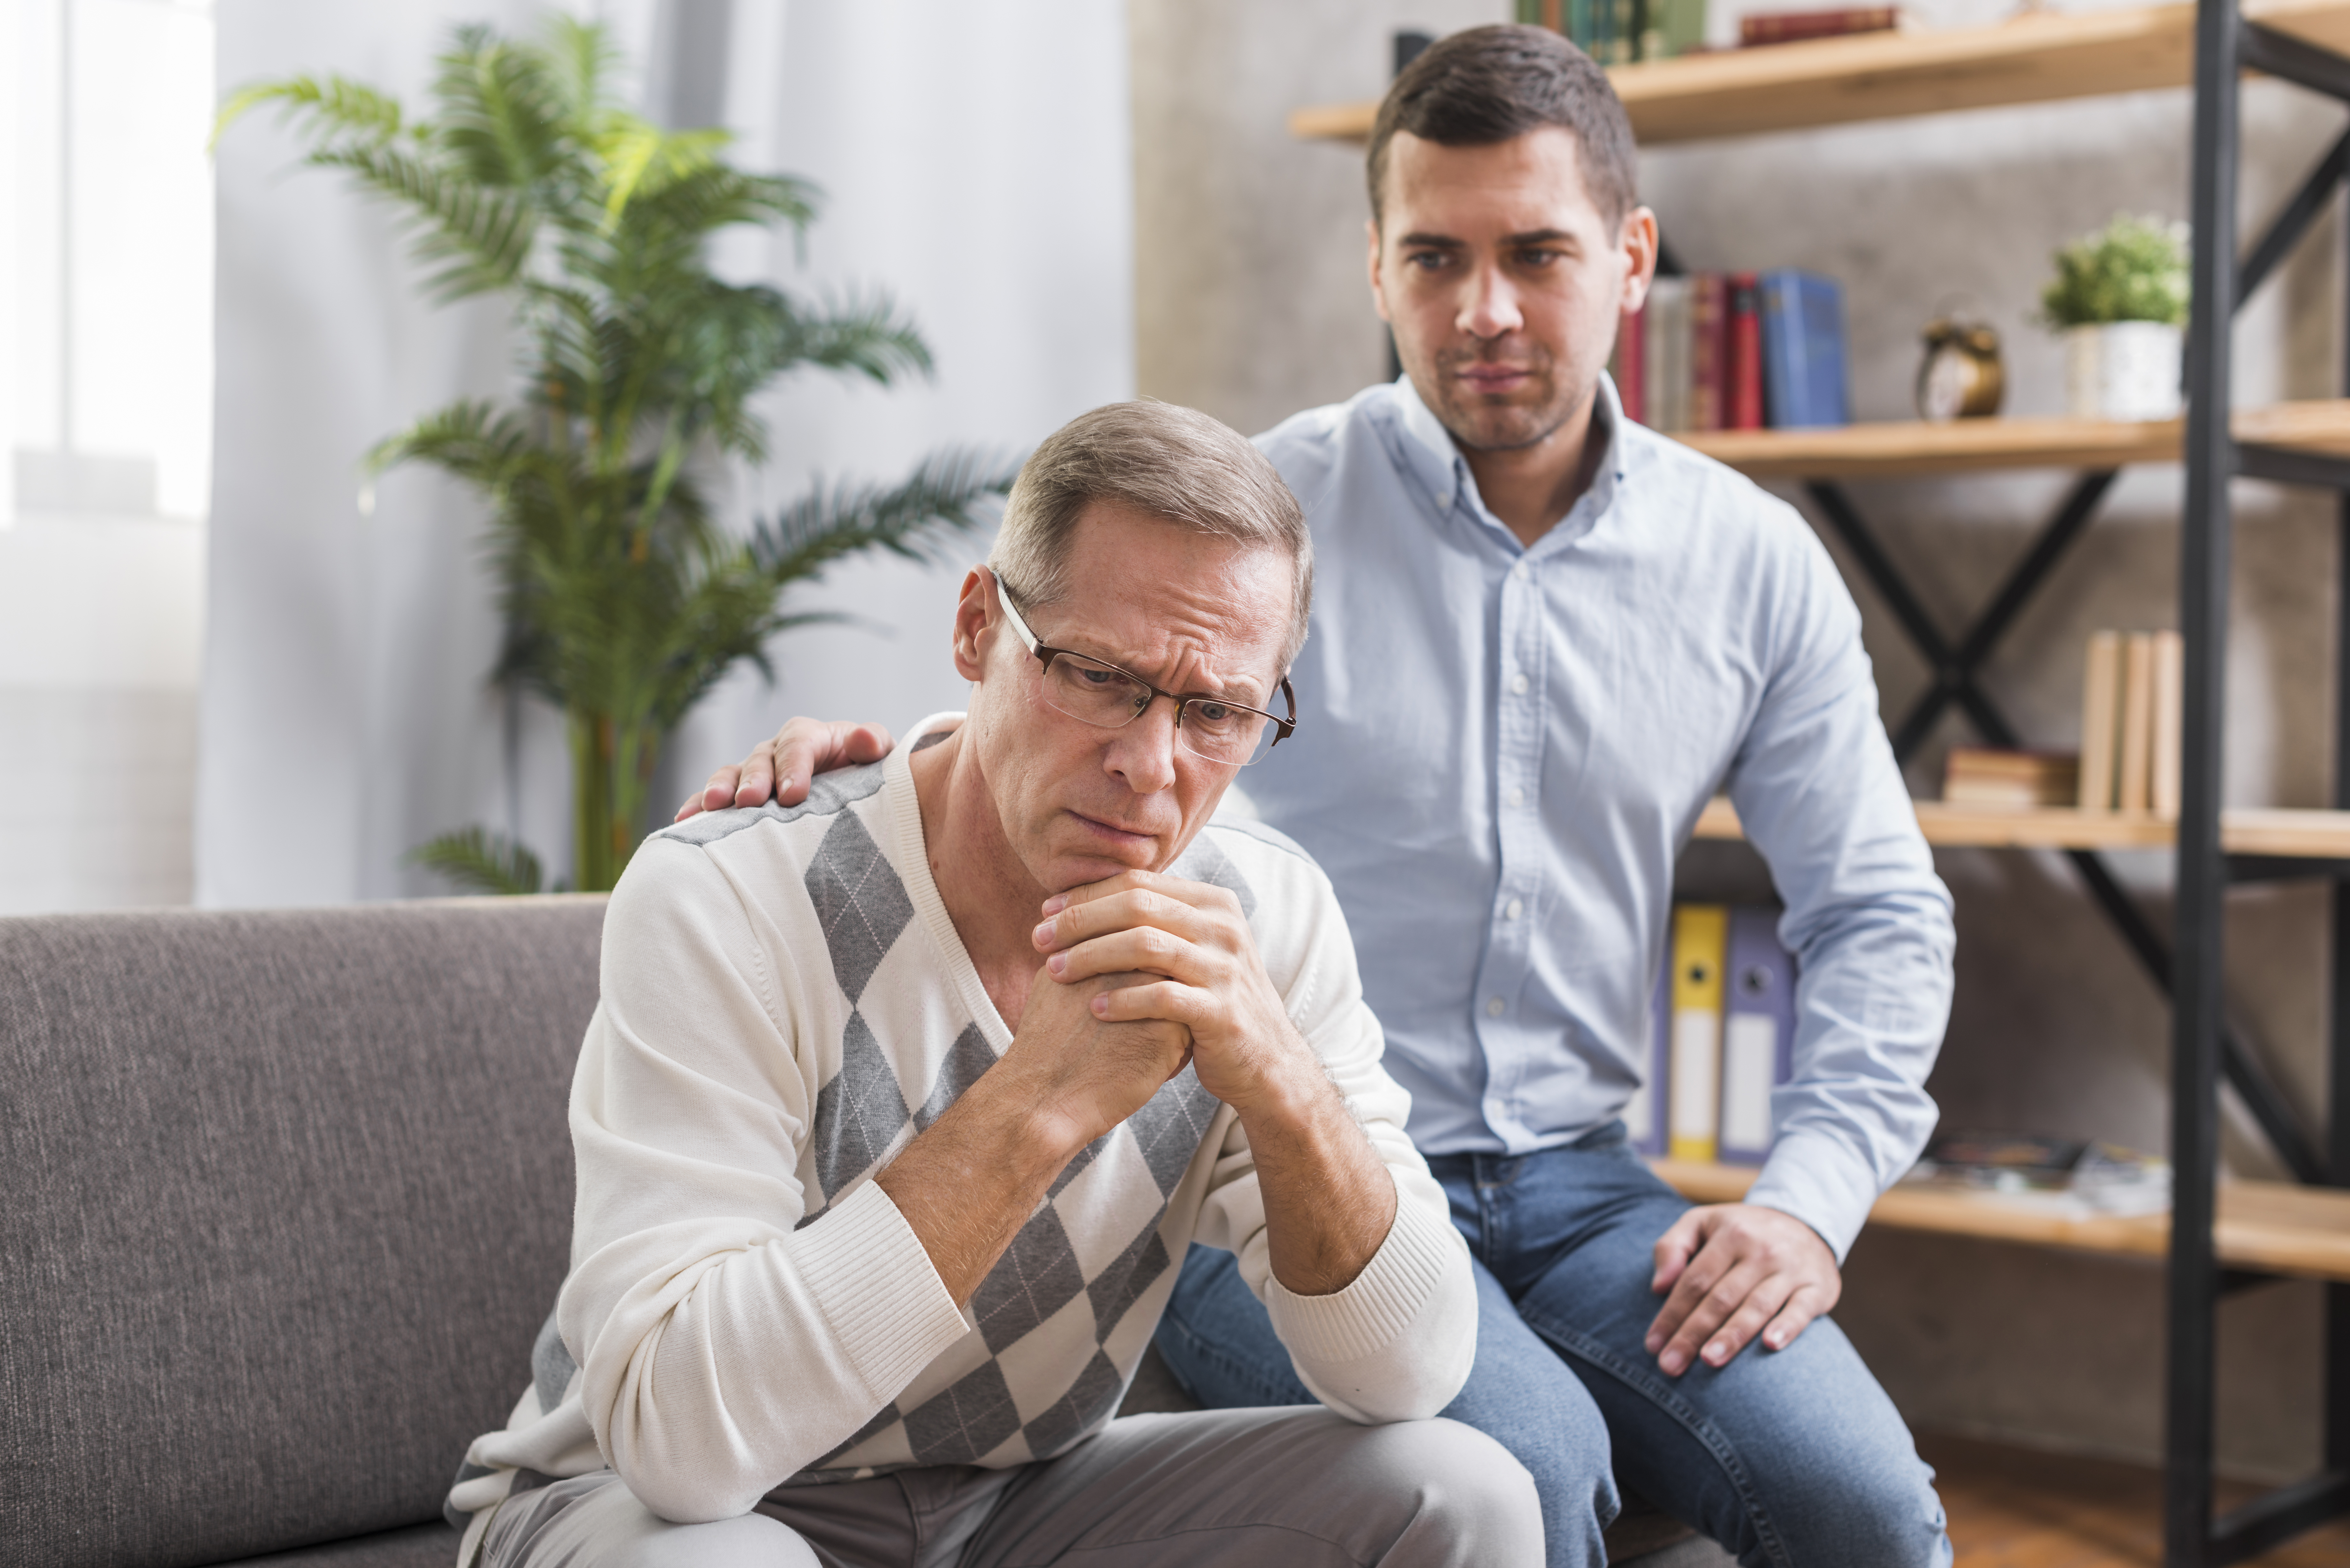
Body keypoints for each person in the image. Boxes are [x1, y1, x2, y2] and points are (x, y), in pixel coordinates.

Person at [681, 25, 1957, 1568]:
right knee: (1524, 1467)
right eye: (1434, 257)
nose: (1481, 309)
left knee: (1870, 1508)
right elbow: (1083, 697)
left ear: (1630, 260)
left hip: (1589, 1189)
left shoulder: (1752, 564)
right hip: (1270, 1156)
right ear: (1374, 268)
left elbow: (1879, 908)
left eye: (1535, 254)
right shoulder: (1267, 526)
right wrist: (875, 756)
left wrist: (1807, 1204)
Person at [451, 401, 1540, 1568]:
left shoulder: (1257, 919)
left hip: (1015, 1502)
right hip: (651, 1512)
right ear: (978, 628)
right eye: (1099, 677)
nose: (1149, 765)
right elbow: (679, 1444)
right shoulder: (731, 894)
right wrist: (1038, 1105)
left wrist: (1279, 1076)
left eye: (1216, 711)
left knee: (1460, 1492)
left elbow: (1411, 1369)